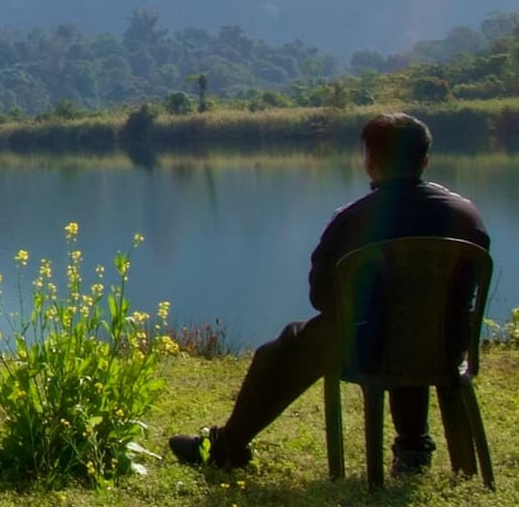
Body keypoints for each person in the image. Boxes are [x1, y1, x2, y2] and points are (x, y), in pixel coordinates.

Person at [169, 112, 489, 476]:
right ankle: (413, 447)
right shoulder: (466, 215)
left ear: (369, 160)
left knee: (294, 343)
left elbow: (322, 297)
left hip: (374, 352)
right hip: (447, 346)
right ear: (426, 160)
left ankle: (225, 446)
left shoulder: (353, 220)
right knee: (408, 325)